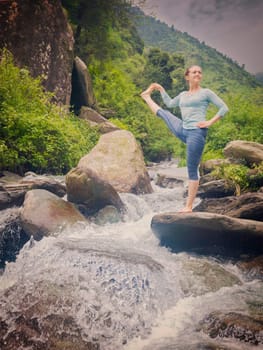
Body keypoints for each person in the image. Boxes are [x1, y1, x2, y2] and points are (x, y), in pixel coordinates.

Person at [141, 65, 229, 213]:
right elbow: (169, 103)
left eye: (200, 72)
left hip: (196, 133)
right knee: (165, 114)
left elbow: (224, 108)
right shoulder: (182, 95)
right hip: (183, 129)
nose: (198, 74)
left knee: (192, 170)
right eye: (194, 72)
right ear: (187, 76)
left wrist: (209, 122)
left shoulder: (206, 93)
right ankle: (146, 97)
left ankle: (188, 206)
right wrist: (161, 90)